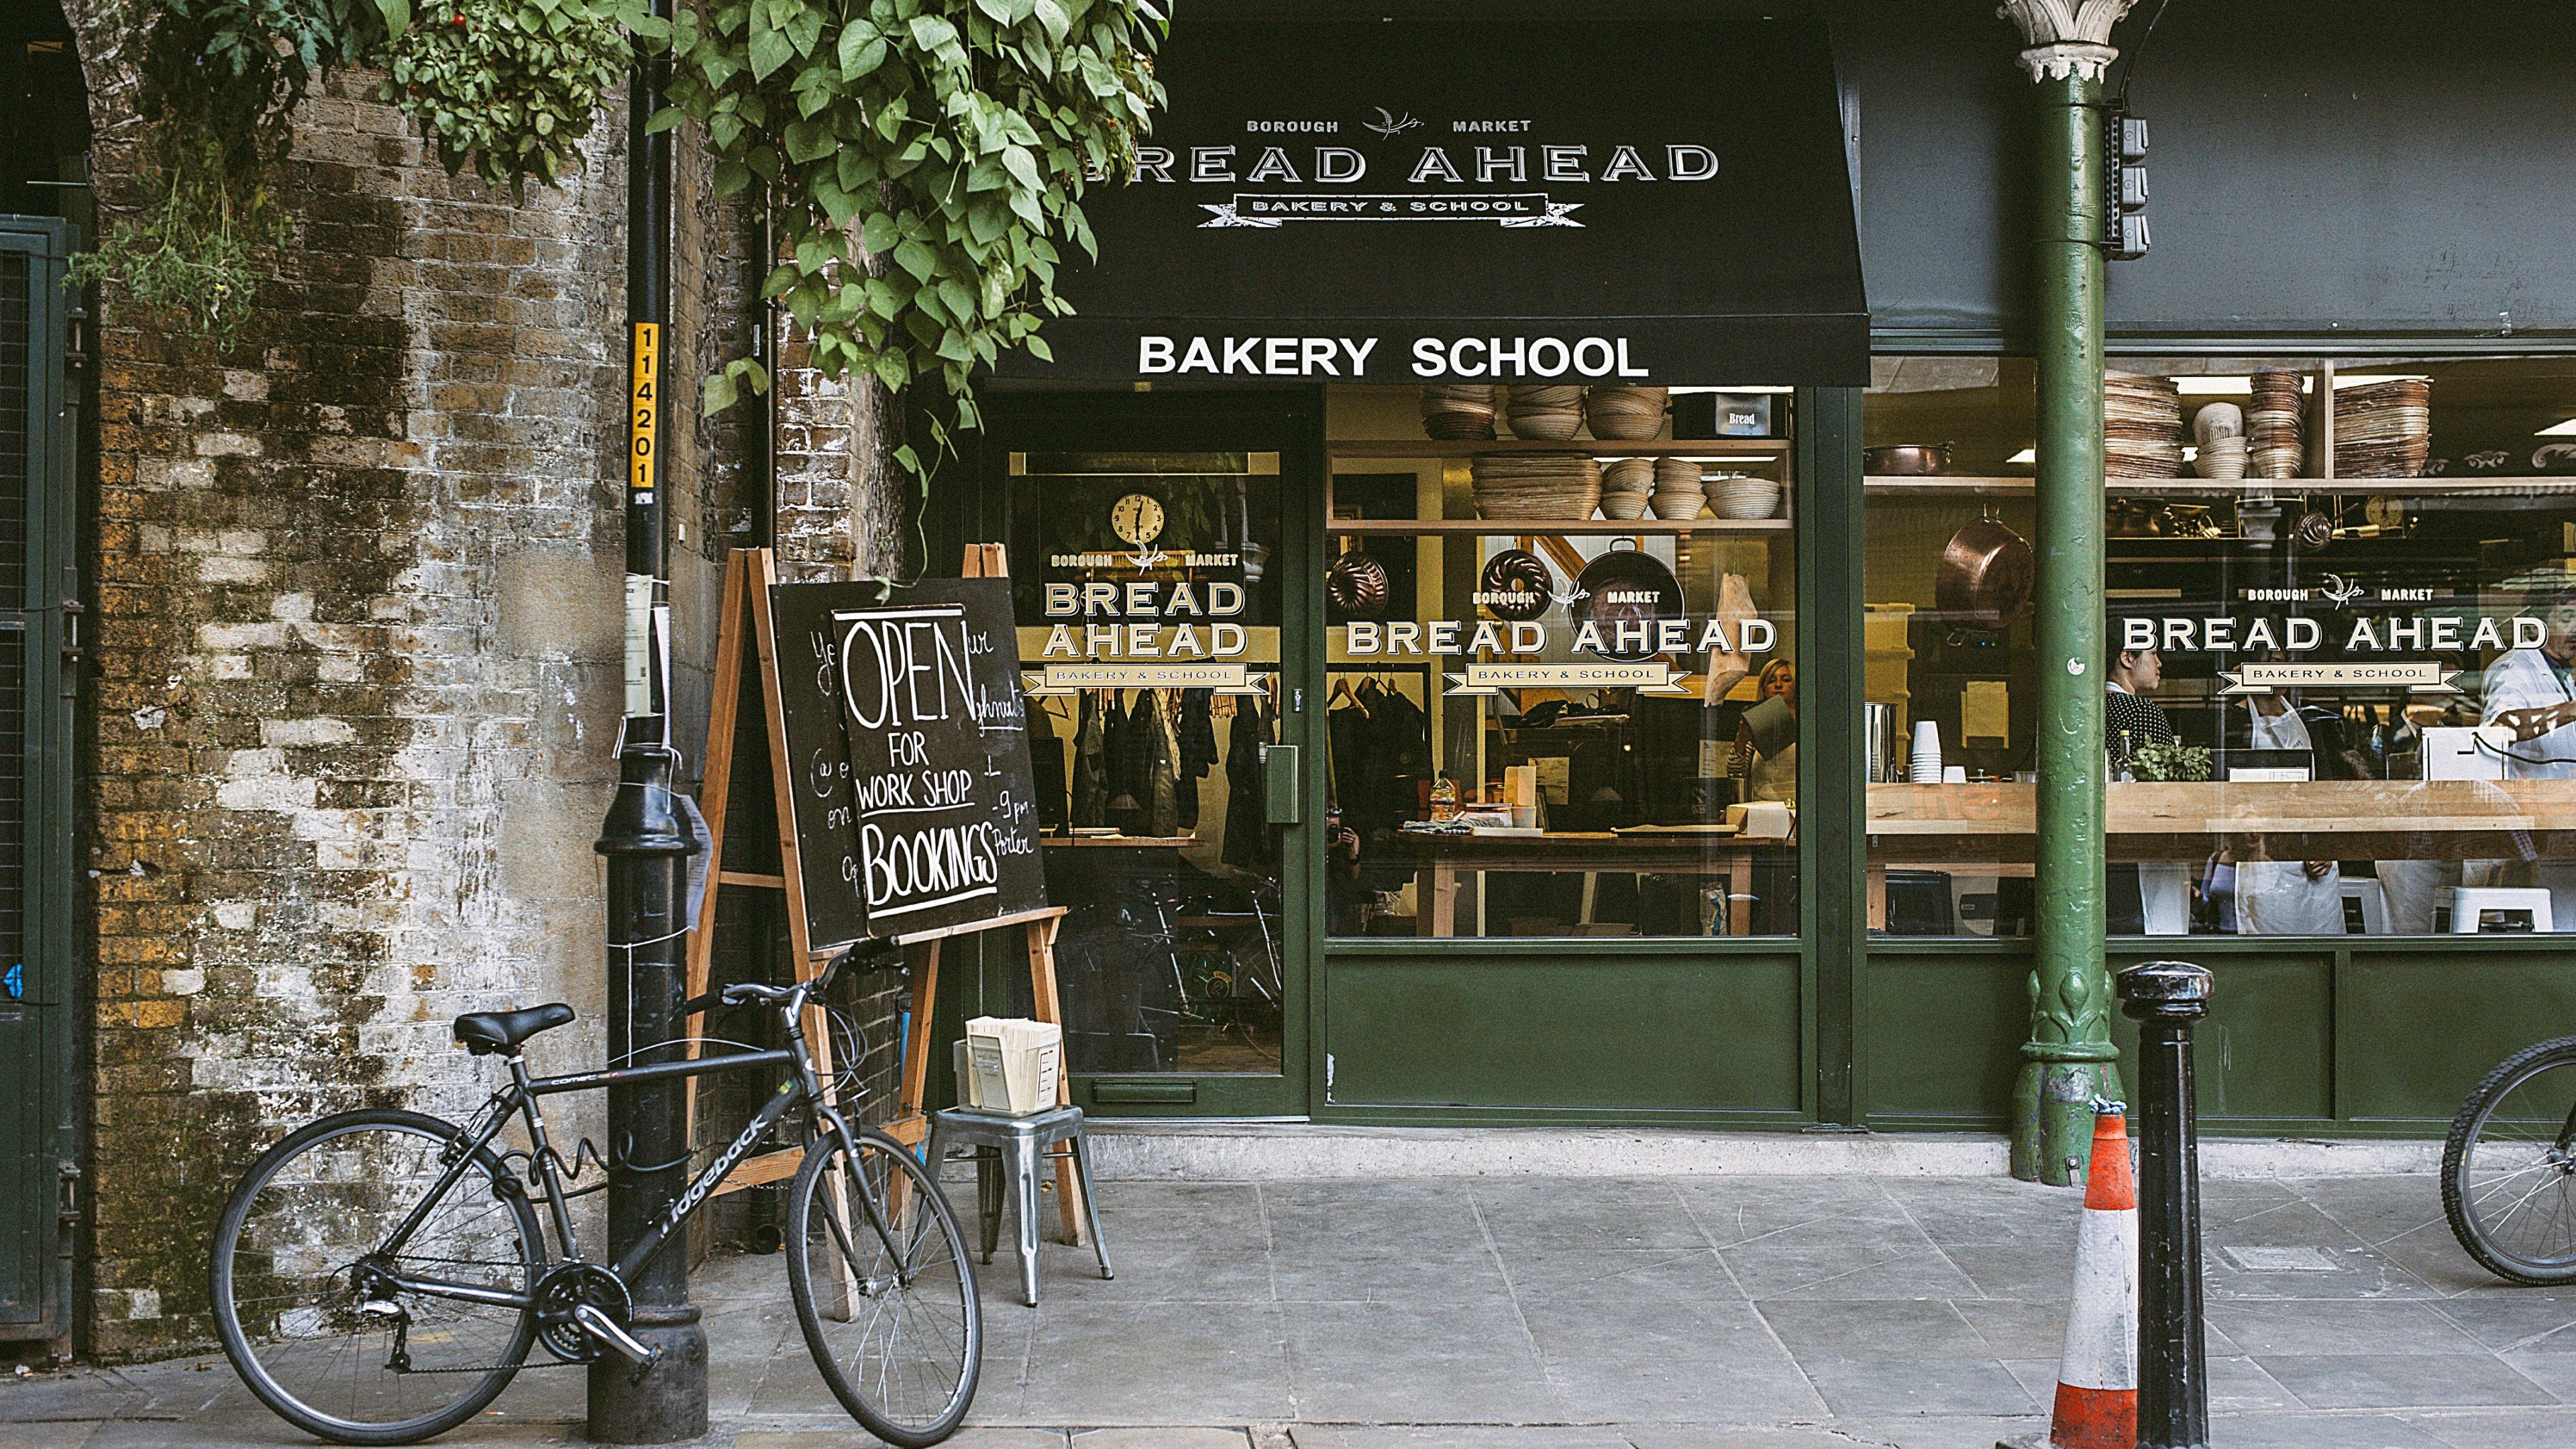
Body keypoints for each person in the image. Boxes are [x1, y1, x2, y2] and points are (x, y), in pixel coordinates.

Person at [2477, 588, 2576, 929]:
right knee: (2549, 933)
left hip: (2564, 828)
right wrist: (2571, 710)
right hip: (2532, 827)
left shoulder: (2565, 674)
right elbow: (2502, 726)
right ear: (2536, 624)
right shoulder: (2513, 668)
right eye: (2566, 618)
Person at [2106, 642, 2176, 772]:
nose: (2159, 663)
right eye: (2153, 654)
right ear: (2127, 658)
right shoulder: (2145, 711)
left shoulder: (2090, 709)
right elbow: (2170, 773)